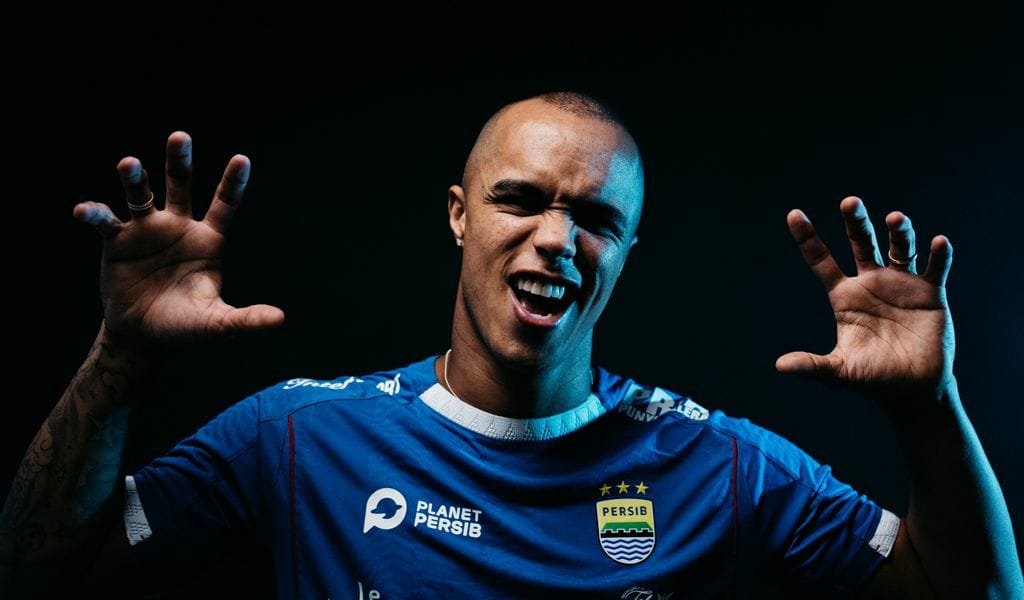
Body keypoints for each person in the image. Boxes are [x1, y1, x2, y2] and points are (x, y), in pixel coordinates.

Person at [1, 91, 1020, 599]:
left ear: (626, 252)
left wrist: (929, 409)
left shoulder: (722, 466)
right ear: (459, 215)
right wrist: (120, 359)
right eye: (520, 200)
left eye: (596, 219)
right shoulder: (298, 437)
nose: (555, 240)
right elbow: (39, 575)